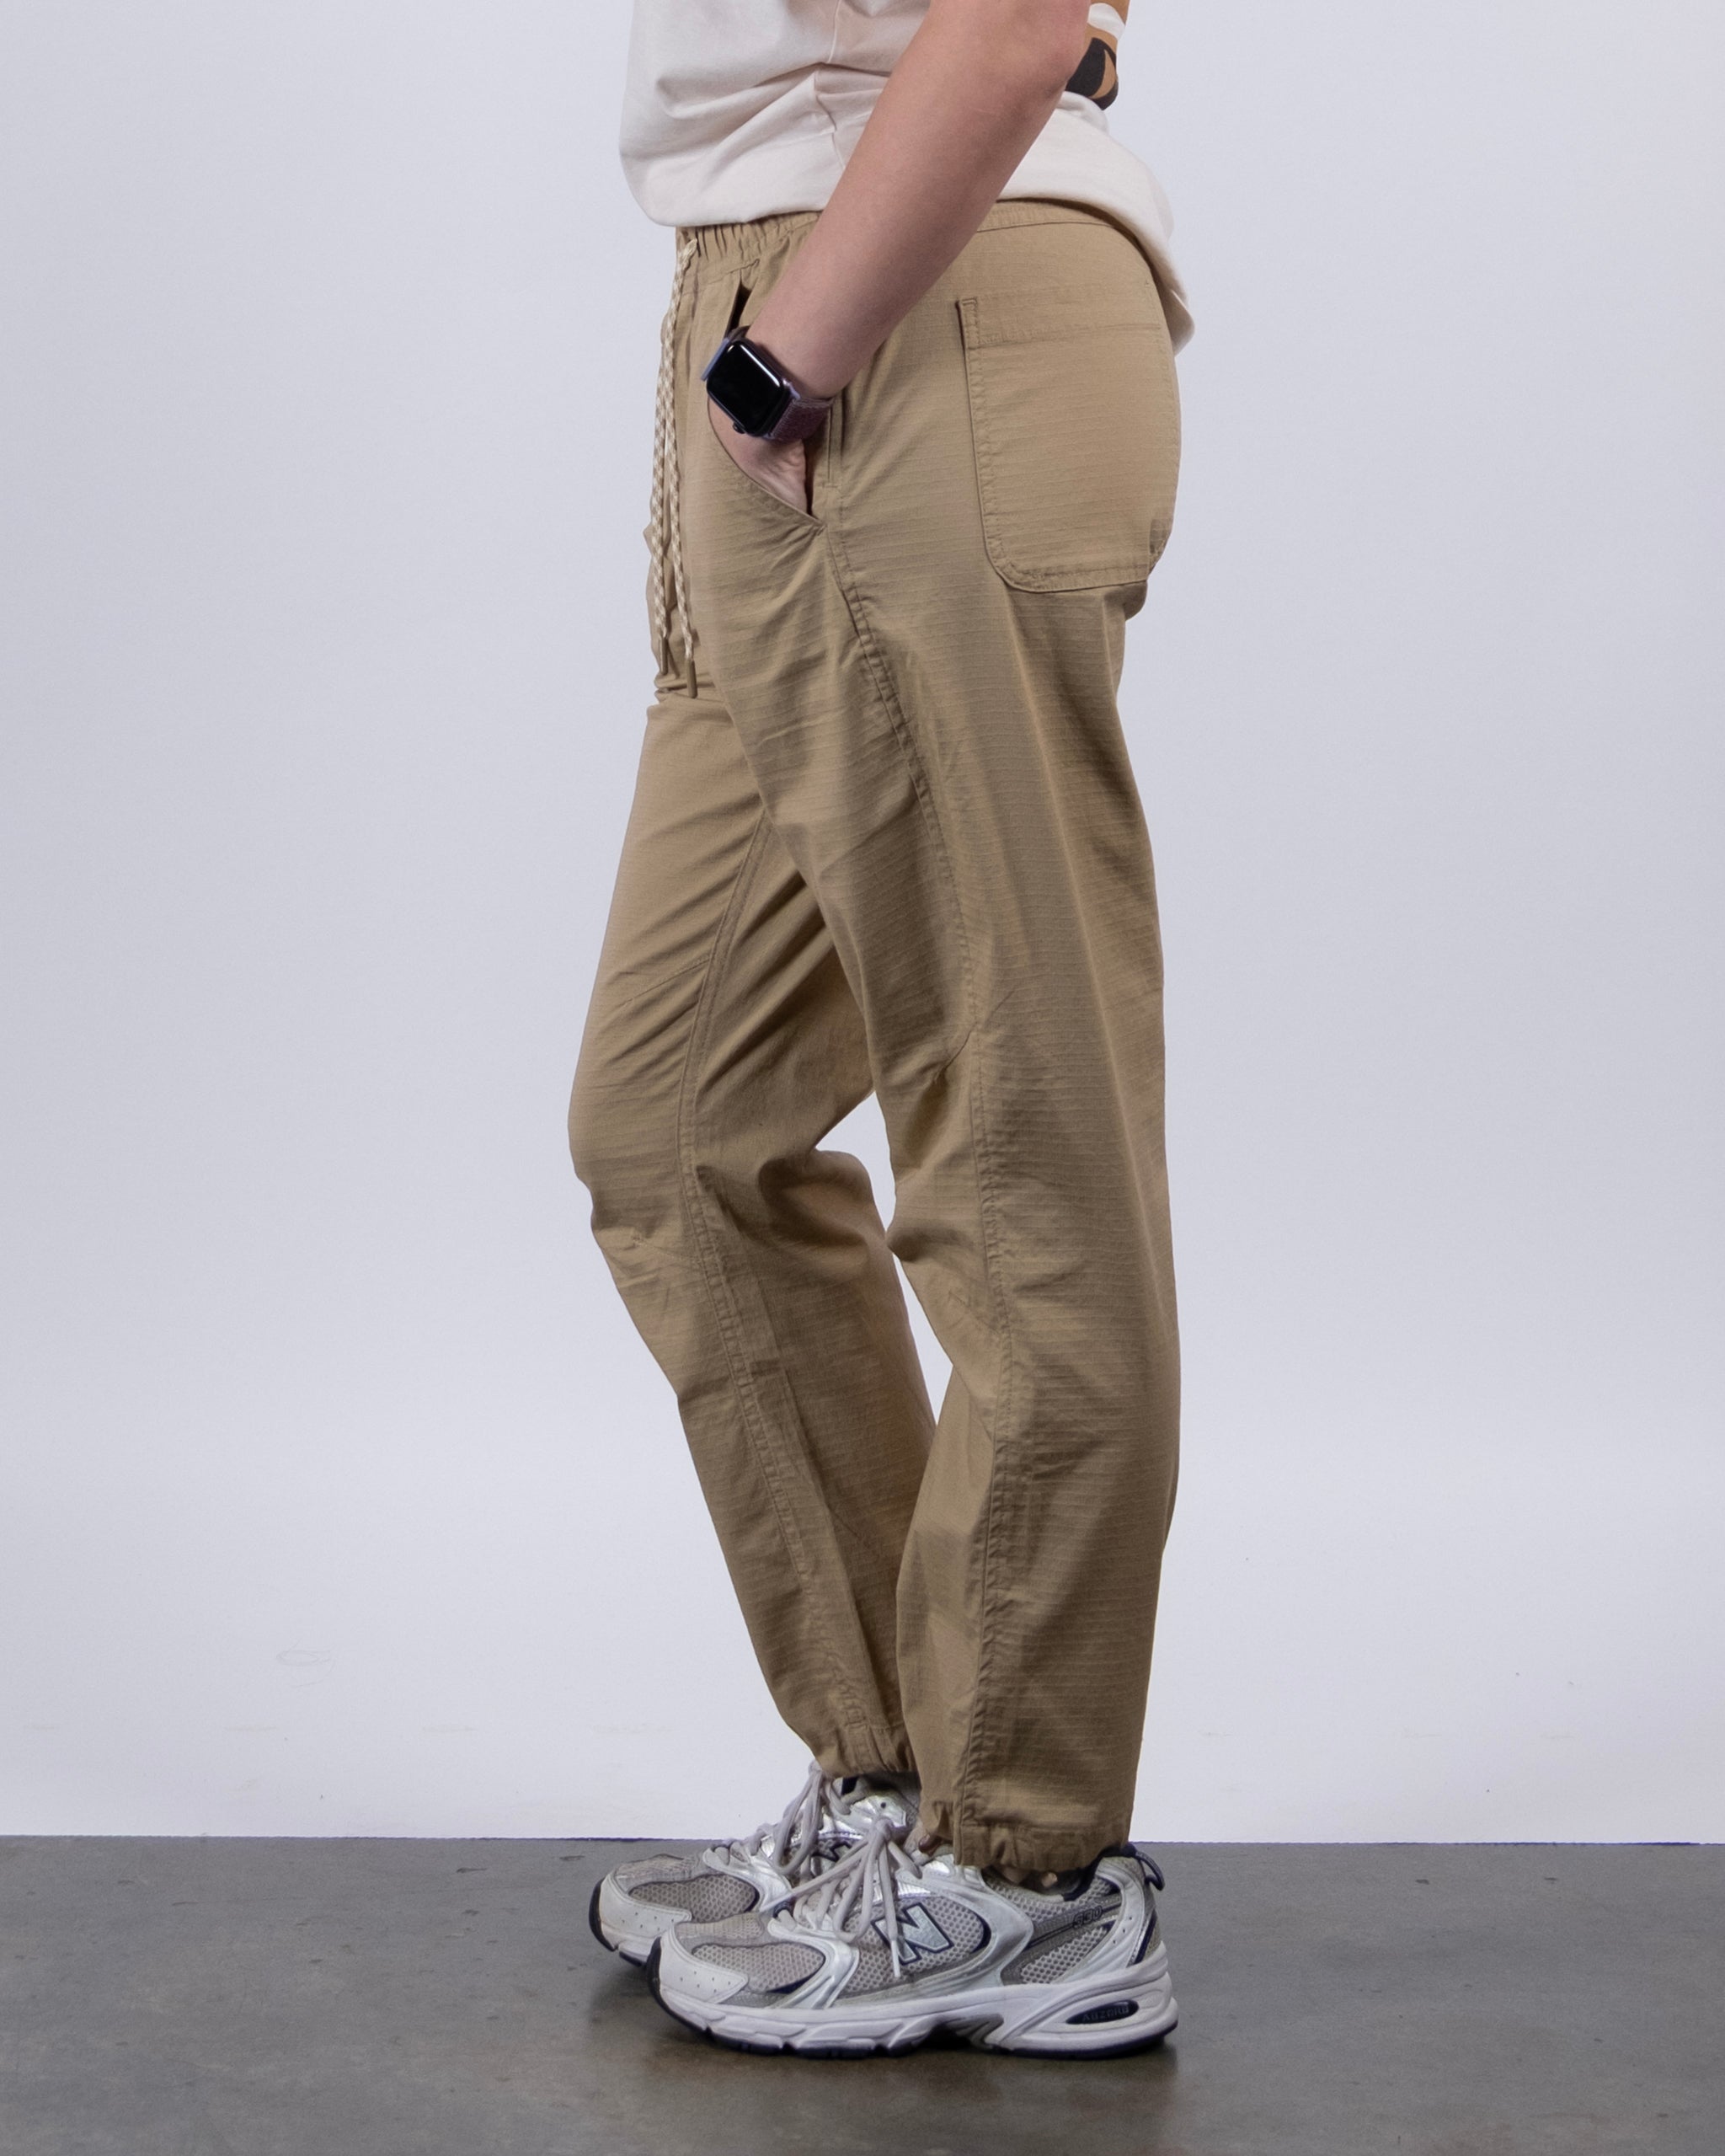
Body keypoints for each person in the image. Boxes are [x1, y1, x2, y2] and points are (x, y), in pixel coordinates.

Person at [570, 0, 1190, 2057]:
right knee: (674, 1124)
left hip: (906, 301)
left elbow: (1020, 20)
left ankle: (1026, 1861)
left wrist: (791, 347)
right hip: (798, 316)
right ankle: (895, 1778)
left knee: (1016, 1124)